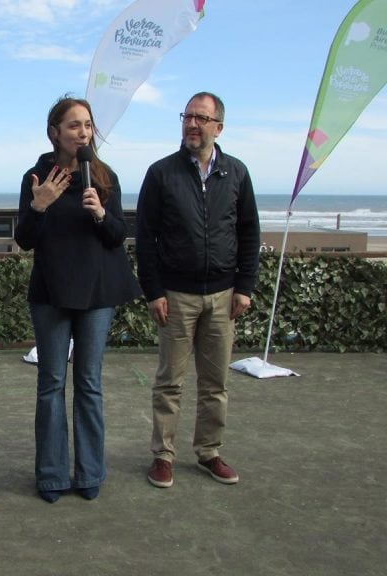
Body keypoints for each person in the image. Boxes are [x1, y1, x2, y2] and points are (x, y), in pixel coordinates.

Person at [14, 96, 142, 503]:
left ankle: (90, 472)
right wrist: (38, 205)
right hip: (51, 291)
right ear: (55, 132)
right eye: (74, 125)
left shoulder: (103, 177)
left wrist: (101, 213)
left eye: (87, 125)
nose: (83, 132)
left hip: (97, 291)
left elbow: (118, 234)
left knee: (89, 383)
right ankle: (51, 476)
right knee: (51, 383)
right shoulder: (36, 176)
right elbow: (24, 240)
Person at [135, 91, 260, 489]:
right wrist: (154, 291)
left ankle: (209, 452)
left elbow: (248, 232)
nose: (192, 124)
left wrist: (245, 286)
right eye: (187, 116)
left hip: (224, 297)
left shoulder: (236, 173)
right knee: (169, 381)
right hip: (176, 295)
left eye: (201, 118)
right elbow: (145, 236)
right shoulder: (161, 173)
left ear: (218, 127)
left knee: (215, 383)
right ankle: (163, 456)